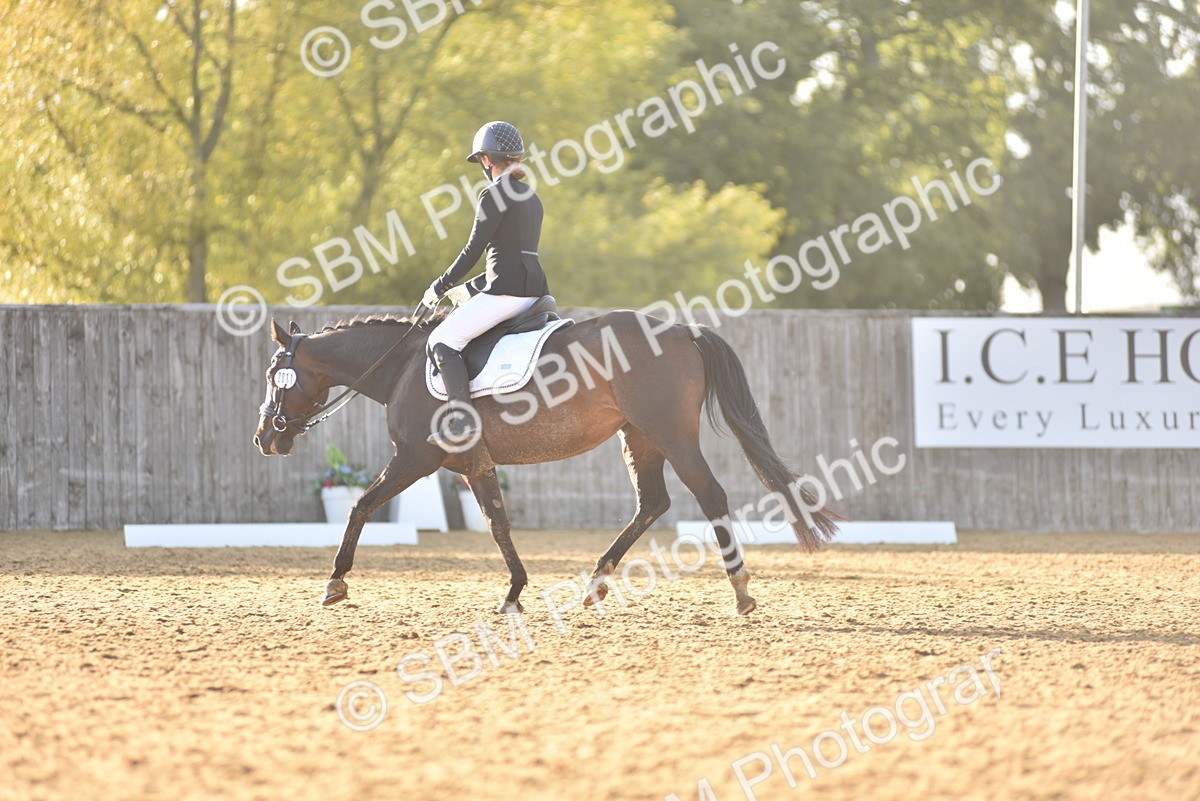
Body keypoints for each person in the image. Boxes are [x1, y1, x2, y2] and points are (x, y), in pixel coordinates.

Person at [422, 120, 549, 450]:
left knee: (441, 339)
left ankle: (462, 421)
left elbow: (473, 250)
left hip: (508, 293)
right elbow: (511, 253)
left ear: (486, 160)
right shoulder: (533, 198)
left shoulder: (493, 194)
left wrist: (438, 286)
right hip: (534, 290)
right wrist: (468, 289)